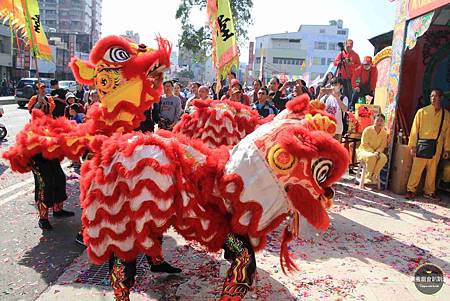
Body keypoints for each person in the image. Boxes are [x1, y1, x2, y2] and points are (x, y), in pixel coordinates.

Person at [28, 83, 74, 230]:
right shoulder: (33, 100)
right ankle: (43, 218)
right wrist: (38, 103)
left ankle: (58, 210)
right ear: (36, 90)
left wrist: (45, 102)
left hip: (50, 143)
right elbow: (32, 111)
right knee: (44, 183)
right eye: (40, 88)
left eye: (43, 88)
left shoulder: (49, 100)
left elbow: (51, 108)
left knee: (59, 177)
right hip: (35, 147)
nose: (42, 90)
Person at [406, 89, 450, 201]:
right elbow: (414, 130)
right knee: (416, 169)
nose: (433, 98)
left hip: (437, 146)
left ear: (441, 98)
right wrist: (413, 146)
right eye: (431, 96)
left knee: (432, 171)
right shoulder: (422, 112)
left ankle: (429, 192)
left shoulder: (446, 115)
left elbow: (448, 134)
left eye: (436, 96)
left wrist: (447, 149)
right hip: (423, 144)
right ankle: (411, 190)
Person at [357, 113, 388, 186]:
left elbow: (382, 145)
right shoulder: (367, 130)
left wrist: (377, 152)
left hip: (377, 152)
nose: (379, 123)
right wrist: (373, 152)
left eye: (381, 121)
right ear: (374, 120)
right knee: (371, 157)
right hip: (364, 150)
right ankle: (368, 176)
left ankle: (374, 175)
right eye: (378, 120)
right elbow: (364, 144)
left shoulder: (384, 133)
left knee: (384, 158)